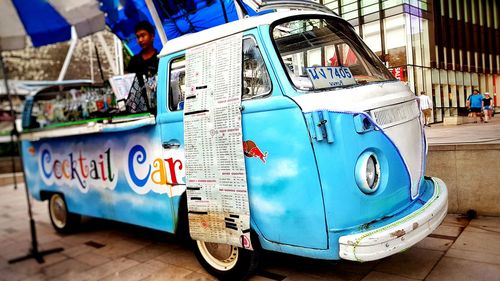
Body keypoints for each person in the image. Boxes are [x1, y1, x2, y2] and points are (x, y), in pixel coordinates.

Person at [125, 21, 159, 113]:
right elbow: (128, 83)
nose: (140, 40)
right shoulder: (134, 61)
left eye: (143, 35)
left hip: (157, 106)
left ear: (152, 36)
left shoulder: (159, 58)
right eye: (138, 37)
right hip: (138, 109)